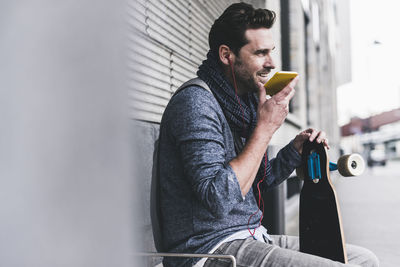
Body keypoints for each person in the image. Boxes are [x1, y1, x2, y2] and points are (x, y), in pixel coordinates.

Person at [157, 2, 379, 267]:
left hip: (253, 236)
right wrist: (265, 127)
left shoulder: (244, 104)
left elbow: (257, 180)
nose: (272, 63)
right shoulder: (196, 103)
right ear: (227, 54)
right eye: (260, 53)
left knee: (364, 260)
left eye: (271, 51)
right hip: (210, 248)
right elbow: (218, 198)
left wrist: (294, 152)